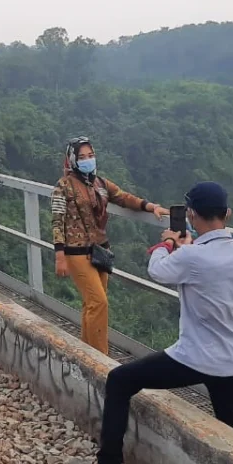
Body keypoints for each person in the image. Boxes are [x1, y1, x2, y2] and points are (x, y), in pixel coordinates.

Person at [68, 181, 233, 464]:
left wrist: (167, 243)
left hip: (194, 357)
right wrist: (188, 249)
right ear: (227, 214)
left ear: (191, 216)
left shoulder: (191, 258)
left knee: (120, 381)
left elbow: (159, 270)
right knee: (230, 430)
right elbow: (209, 265)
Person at [51, 136, 168, 354]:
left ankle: (87, 351)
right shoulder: (63, 186)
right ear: (72, 159)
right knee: (99, 302)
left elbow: (124, 198)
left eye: (91, 156)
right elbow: (57, 220)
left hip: (101, 251)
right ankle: (101, 358)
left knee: (91, 304)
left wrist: (151, 206)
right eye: (82, 157)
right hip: (76, 253)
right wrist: (60, 255)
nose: (88, 160)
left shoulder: (100, 183)